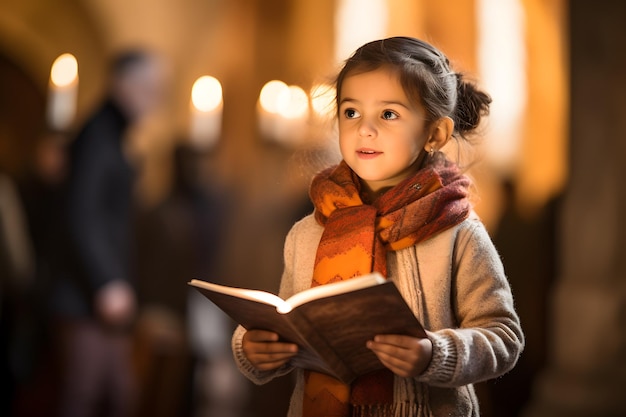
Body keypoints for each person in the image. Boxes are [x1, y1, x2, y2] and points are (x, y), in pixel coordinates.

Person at [231, 36, 524, 416]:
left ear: (435, 133)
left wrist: (435, 353)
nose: (364, 130)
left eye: (388, 114)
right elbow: (292, 322)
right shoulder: (308, 232)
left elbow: (503, 336)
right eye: (351, 112)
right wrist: (256, 347)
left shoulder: (457, 233)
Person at [51, 49, 165, 417]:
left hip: (99, 294)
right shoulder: (98, 135)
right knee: (84, 396)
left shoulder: (111, 134)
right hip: (86, 293)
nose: (154, 98)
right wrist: (107, 282)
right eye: (148, 87)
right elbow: (81, 215)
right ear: (121, 84)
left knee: (119, 393)